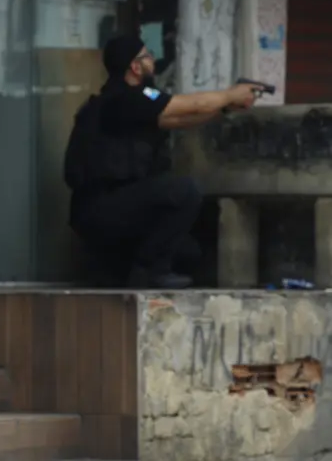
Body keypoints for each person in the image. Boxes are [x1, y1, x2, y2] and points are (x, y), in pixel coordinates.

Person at [63, 34, 266, 288]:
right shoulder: (127, 98)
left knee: (189, 251)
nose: (152, 61)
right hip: (102, 207)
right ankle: (147, 272)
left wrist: (226, 107)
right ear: (135, 67)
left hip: (109, 207)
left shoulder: (126, 100)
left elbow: (181, 119)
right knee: (184, 192)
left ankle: (121, 270)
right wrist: (230, 94)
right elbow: (190, 104)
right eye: (147, 56)